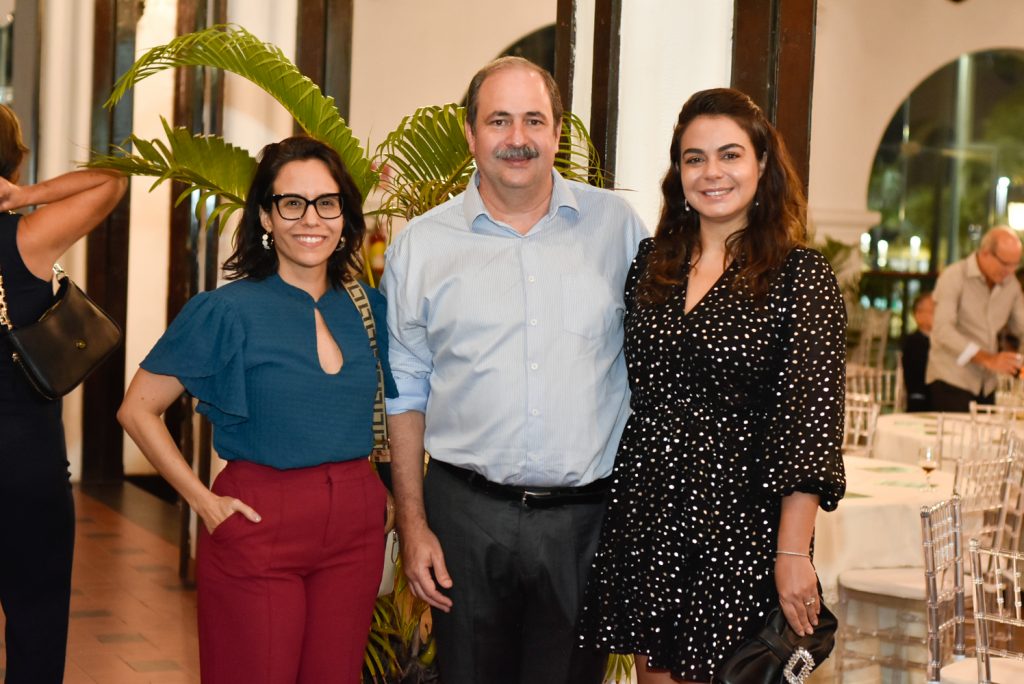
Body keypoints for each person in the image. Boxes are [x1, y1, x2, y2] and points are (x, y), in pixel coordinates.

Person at [381, 56, 647, 684]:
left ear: (558, 132)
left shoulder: (620, 231)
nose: (517, 138)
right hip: (465, 517)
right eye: (498, 120)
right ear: (471, 134)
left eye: (534, 120)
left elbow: (655, 369)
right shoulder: (420, 246)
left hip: (585, 523)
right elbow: (404, 395)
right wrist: (412, 524)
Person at [576, 88, 847, 683]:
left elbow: (809, 426)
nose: (712, 172)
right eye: (694, 158)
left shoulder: (800, 276)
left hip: (740, 528)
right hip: (649, 517)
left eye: (730, 155)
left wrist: (793, 552)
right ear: (678, 172)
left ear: (762, 165)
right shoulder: (652, 264)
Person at [117, 136, 395, 684]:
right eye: (292, 203)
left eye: (327, 202)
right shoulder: (225, 310)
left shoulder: (369, 306)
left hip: (356, 526)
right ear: (267, 216)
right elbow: (137, 410)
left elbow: (403, 411)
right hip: (260, 520)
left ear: (345, 214)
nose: (310, 218)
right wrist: (203, 502)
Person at [0, 104, 126, 683]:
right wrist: (25, 194)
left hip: (25, 469)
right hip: (26, 467)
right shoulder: (26, 236)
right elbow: (112, 177)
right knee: (38, 619)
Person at [926, 226, 1024, 412]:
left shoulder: (1011, 285)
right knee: (956, 441)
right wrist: (988, 359)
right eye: (1005, 264)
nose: (1010, 271)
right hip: (952, 378)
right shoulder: (954, 276)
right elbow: (942, 331)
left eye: (1015, 265)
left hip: (987, 384)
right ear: (986, 253)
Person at [902, 291, 934, 412]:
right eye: (932, 310)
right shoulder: (913, 342)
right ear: (918, 315)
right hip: (922, 402)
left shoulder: (941, 341)